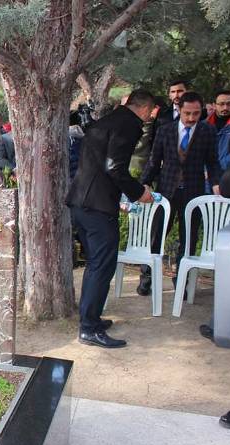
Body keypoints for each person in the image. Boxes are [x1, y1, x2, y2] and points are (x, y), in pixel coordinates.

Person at [66, 89, 156, 349]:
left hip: (81, 202)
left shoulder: (107, 120)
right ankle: (89, 328)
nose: (149, 117)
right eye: (150, 113)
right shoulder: (128, 124)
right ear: (145, 108)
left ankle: (90, 319)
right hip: (97, 207)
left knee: (96, 265)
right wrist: (140, 193)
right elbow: (114, 168)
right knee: (101, 266)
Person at [138, 91, 222, 296]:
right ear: (180, 110)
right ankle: (147, 276)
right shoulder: (165, 130)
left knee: (189, 238)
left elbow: (212, 162)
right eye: (187, 114)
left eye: (196, 113)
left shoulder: (207, 131)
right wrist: (144, 184)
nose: (192, 118)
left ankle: (181, 281)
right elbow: (153, 160)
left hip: (193, 193)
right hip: (166, 191)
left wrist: (217, 185)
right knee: (157, 235)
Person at [205, 90, 230, 170]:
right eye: (221, 104)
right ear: (214, 105)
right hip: (208, 177)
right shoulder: (203, 126)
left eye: (229, 104)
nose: (225, 107)